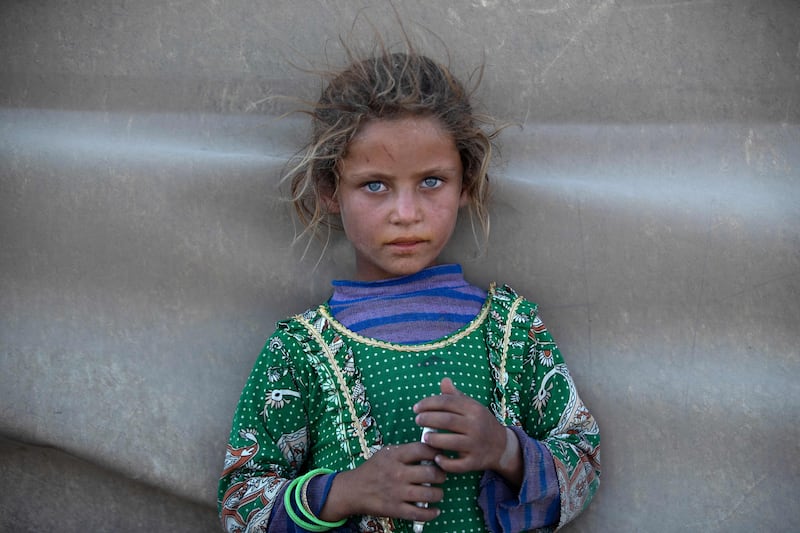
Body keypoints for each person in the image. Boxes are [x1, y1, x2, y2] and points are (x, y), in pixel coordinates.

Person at [218, 42, 600, 533]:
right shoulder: (299, 350)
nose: (406, 212)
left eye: (432, 181)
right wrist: (342, 492)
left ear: (466, 183)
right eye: (375, 184)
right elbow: (239, 505)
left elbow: (584, 464)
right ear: (330, 192)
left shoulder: (514, 331)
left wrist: (505, 450)